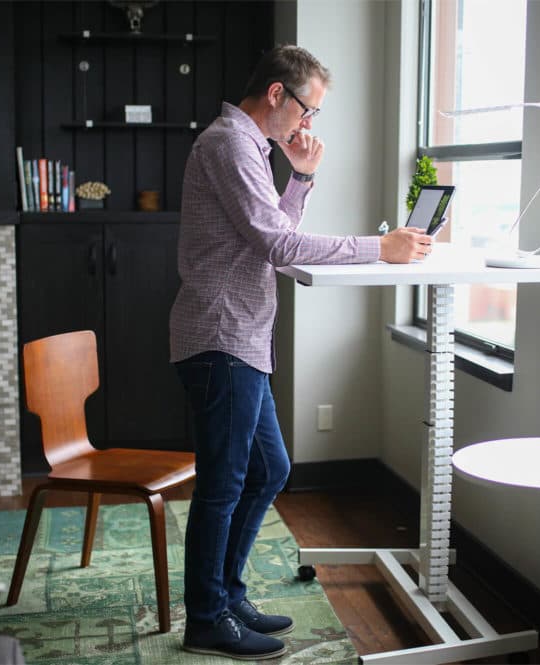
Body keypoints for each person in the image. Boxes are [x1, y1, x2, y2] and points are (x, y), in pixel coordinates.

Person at [169, 45, 431, 660]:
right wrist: (379, 247)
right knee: (223, 485)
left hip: (240, 340)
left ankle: (227, 595)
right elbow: (279, 247)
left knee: (270, 470)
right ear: (277, 95)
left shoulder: (250, 149)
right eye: (308, 109)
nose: (308, 125)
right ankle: (206, 617)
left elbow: (268, 238)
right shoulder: (229, 145)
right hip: (221, 337)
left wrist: (302, 178)